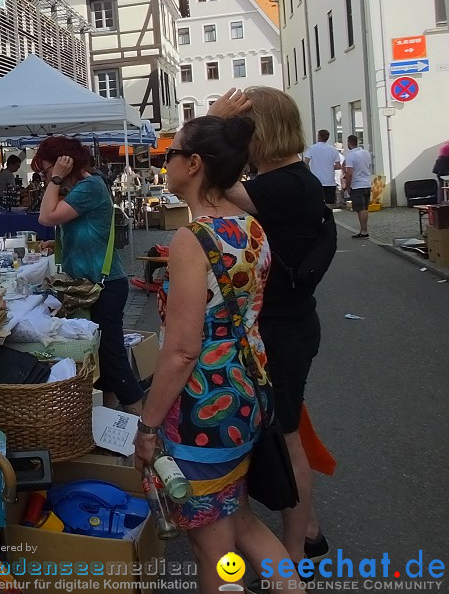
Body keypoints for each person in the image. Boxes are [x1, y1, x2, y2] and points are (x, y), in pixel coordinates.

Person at [134, 116, 290, 592]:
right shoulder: (252, 229)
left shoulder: (193, 239)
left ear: (194, 164)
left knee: (213, 548)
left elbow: (182, 350)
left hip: (203, 409)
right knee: (239, 518)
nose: (166, 164)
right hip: (247, 393)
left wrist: (147, 426)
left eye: (171, 155)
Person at [210, 86, 330, 562]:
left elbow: (208, 177)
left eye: (245, 129)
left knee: (286, 438)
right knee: (288, 428)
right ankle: (311, 534)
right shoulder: (295, 181)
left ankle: (296, 556)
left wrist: (216, 123)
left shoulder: (281, 186)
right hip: (288, 324)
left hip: (281, 328)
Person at [33, 137, 142, 412]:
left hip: (104, 285)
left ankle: (143, 427)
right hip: (91, 285)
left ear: (64, 162)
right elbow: (78, 226)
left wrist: (55, 179)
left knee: (112, 357)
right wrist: (57, 243)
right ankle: (110, 423)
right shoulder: (84, 187)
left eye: (45, 170)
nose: (45, 177)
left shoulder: (89, 186)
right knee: (103, 358)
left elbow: (46, 217)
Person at [342, 135, 373, 239]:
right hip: (367, 183)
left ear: (349, 143)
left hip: (357, 185)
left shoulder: (350, 156)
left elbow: (349, 173)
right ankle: (364, 230)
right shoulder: (366, 153)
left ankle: (364, 231)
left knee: (360, 209)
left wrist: (348, 186)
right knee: (365, 208)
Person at [304, 129, 344, 206]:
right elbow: (338, 166)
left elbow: (305, 163)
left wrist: (309, 172)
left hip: (315, 181)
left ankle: (318, 217)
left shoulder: (312, 148)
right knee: (329, 204)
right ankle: (328, 217)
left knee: (316, 203)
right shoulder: (333, 150)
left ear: (318, 136)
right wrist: (329, 167)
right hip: (329, 181)